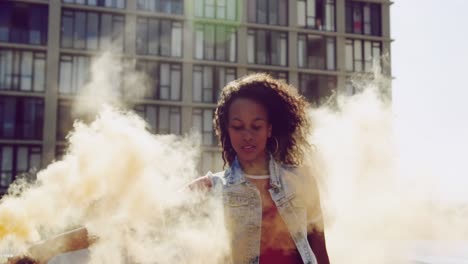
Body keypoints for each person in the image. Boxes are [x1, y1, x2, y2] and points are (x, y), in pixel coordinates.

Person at [9, 73, 329, 264]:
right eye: (237, 126)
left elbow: (319, 251)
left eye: (256, 126)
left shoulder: (300, 181)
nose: (247, 135)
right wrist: (41, 250)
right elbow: (126, 225)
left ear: (270, 128)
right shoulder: (210, 188)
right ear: (226, 131)